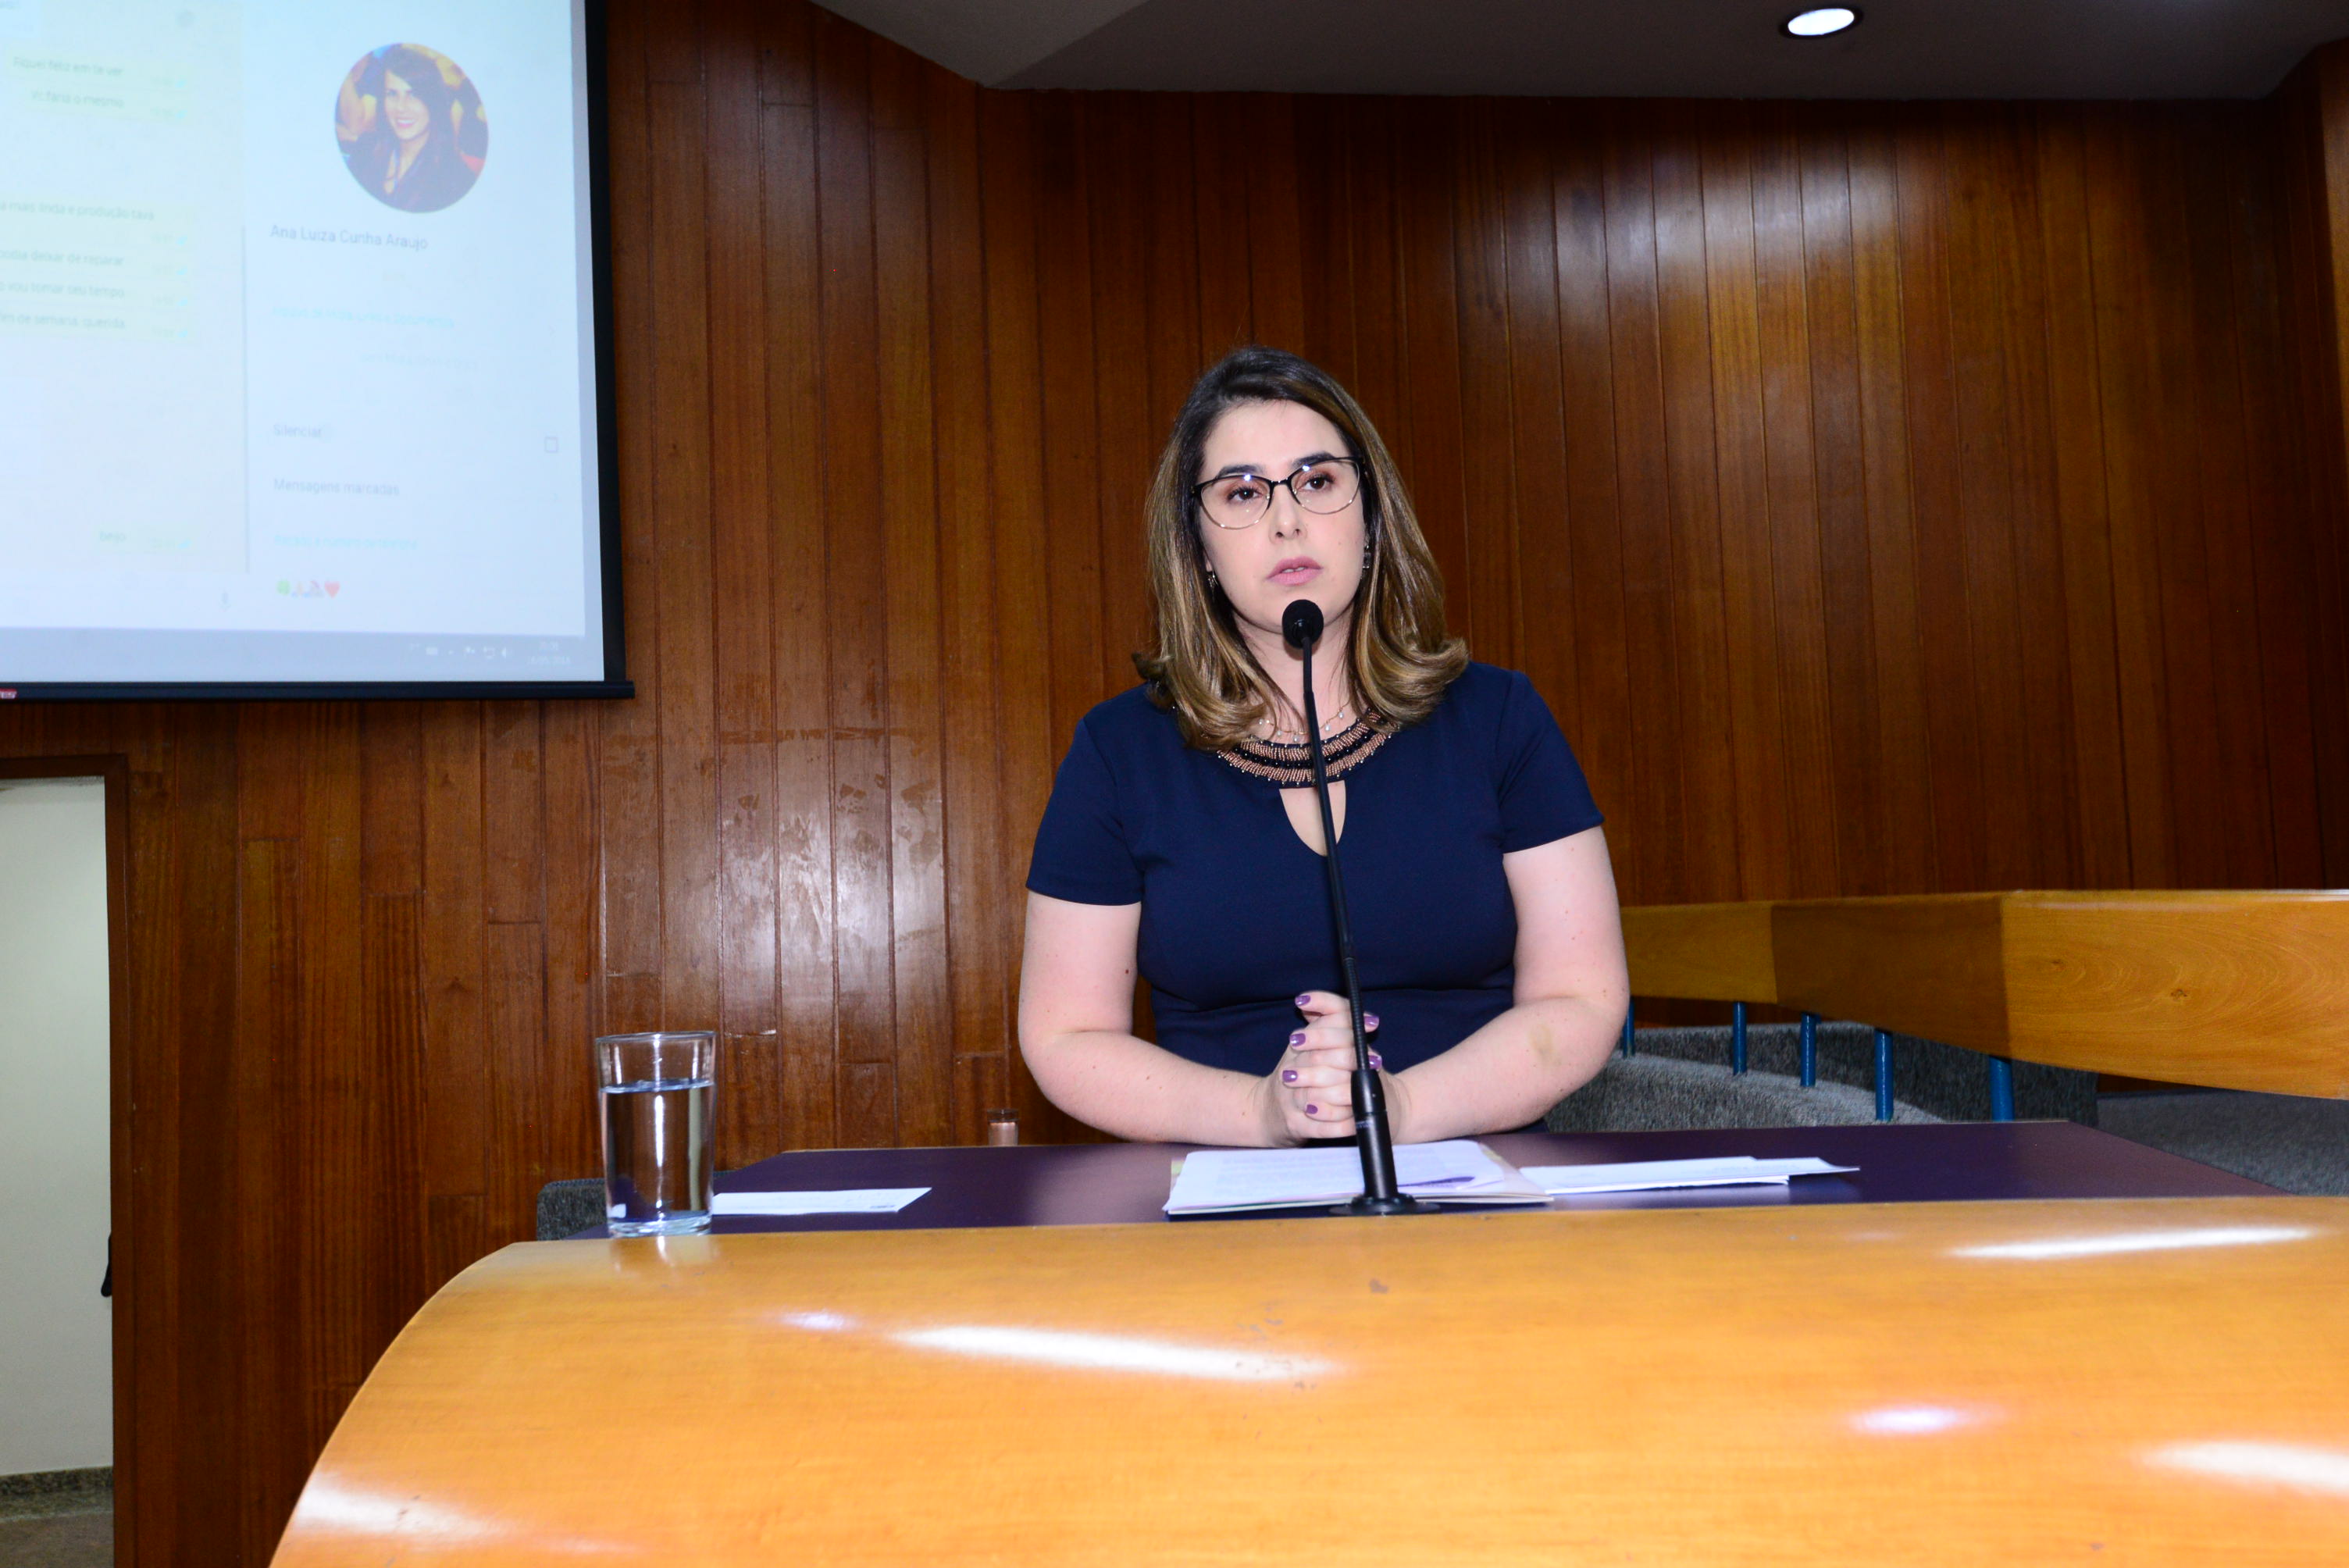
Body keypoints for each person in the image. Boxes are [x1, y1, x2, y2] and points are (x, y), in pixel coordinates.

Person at [1019, 346, 1628, 1148]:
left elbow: (1580, 998)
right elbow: (1066, 1036)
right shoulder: (1117, 751)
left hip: (1475, 1175)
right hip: (1223, 1183)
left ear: (1370, 517)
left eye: (1316, 480)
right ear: (1198, 548)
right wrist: (1262, 1113)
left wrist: (1400, 1107)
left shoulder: (1499, 718)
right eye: (1242, 492)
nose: (1286, 520)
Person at [343, 46, 482, 215]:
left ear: (433, 102)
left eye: (413, 95)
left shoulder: (455, 178)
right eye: (392, 94)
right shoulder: (366, 148)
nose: (401, 107)